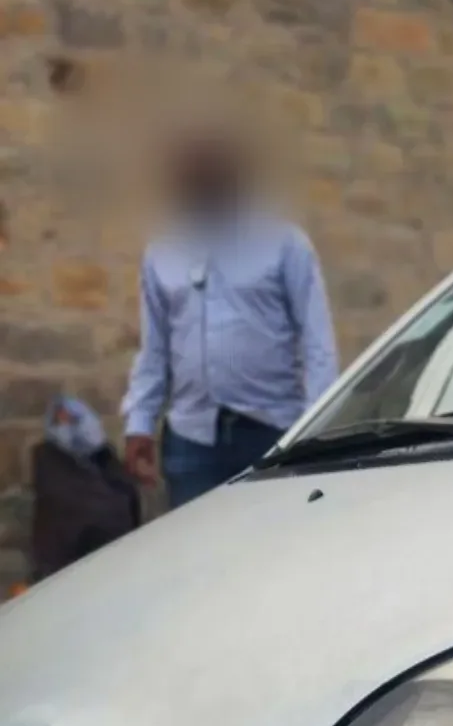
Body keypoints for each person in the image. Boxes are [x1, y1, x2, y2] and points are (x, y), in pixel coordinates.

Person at [122, 125, 339, 508]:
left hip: (272, 433)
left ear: (235, 179)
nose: (204, 185)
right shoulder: (163, 253)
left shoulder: (284, 244)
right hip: (191, 443)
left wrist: (315, 427)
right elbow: (154, 350)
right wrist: (140, 422)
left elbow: (317, 342)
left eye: (214, 175)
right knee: (198, 560)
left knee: (275, 550)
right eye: (195, 178)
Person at [30, 396, 141, 583]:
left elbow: (127, 495)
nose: (68, 428)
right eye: (61, 422)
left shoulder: (104, 456)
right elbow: (65, 502)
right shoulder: (48, 458)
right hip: (67, 561)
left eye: (74, 420)